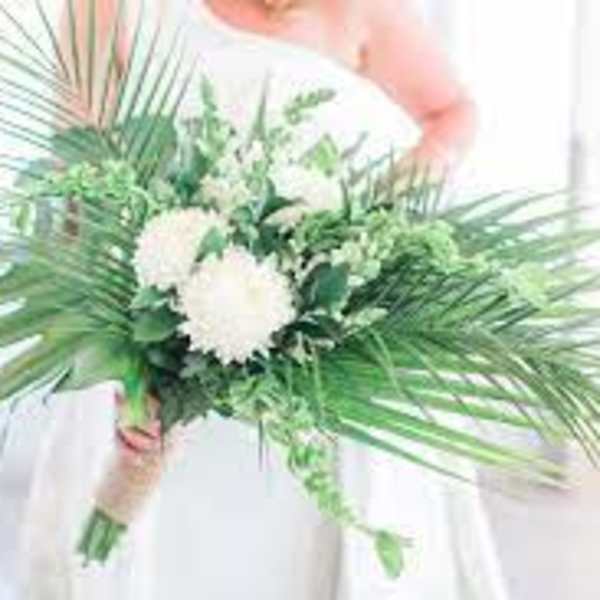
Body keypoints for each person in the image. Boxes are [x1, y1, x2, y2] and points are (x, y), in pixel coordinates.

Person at [19, 1, 506, 599]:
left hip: (314, 367)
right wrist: (123, 362)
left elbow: (451, 112)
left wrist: (373, 222)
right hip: (148, 350)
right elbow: (80, 192)